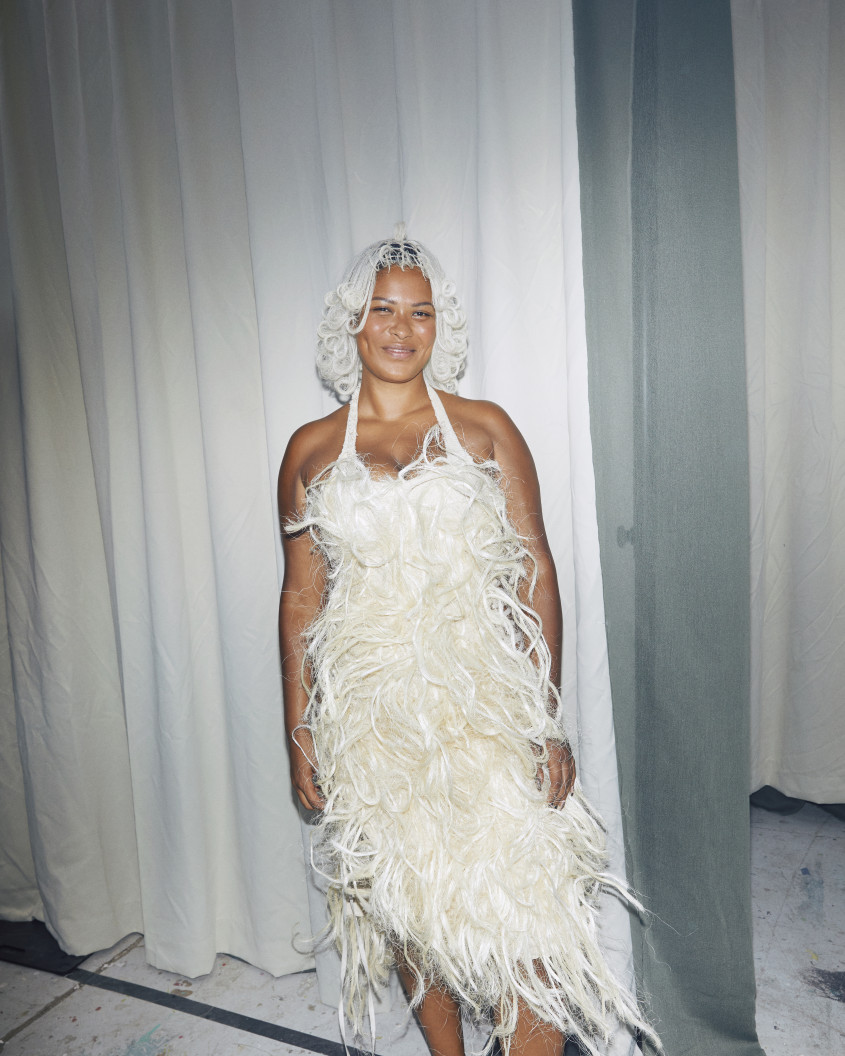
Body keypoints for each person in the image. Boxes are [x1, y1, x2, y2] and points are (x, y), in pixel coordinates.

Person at [278, 231, 654, 1056]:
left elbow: (534, 570)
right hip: (372, 719)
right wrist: (299, 727)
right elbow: (301, 598)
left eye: (420, 312)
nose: (401, 328)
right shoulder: (310, 449)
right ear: (352, 321)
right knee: (412, 904)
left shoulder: (485, 429)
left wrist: (544, 719)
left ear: (438, 324)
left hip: (483, 703)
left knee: (532, 921)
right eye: (383, 309)